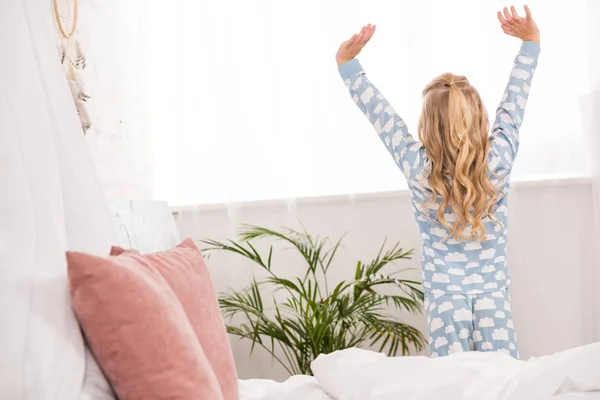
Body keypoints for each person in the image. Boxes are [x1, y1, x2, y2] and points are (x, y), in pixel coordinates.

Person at [335, 5, 540, 358]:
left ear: (427, 125)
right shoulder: (499, 160)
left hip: (445, 300)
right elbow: (514, 103)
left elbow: (382, 116)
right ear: (479, 117)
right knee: (504, 382)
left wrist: (348, 65)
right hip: (493, 295)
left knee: (451, 384)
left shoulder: (419, 168)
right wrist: (530, 43)